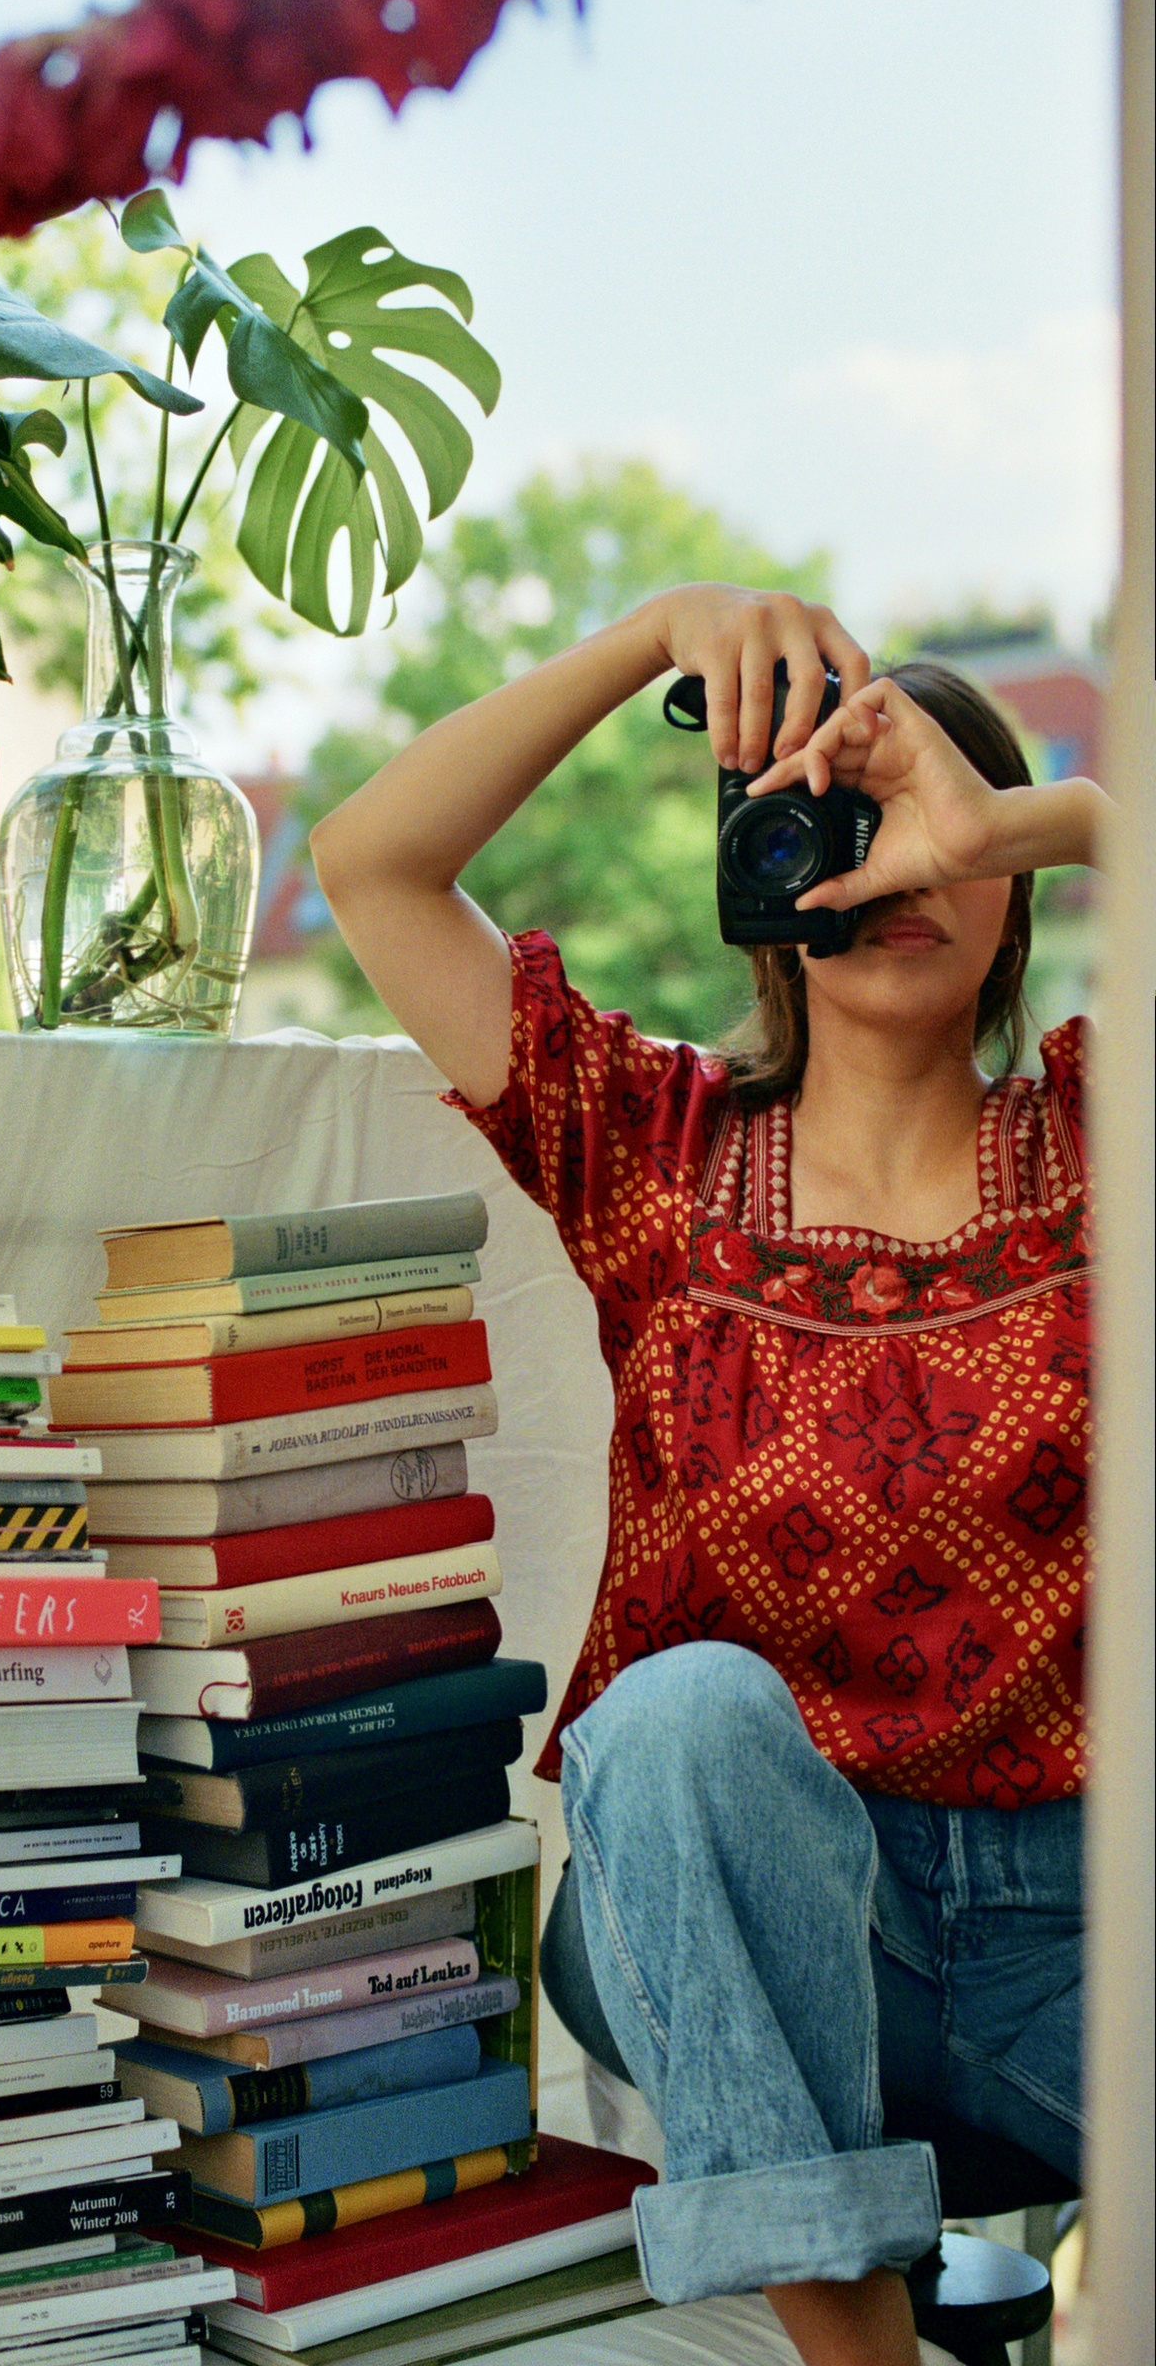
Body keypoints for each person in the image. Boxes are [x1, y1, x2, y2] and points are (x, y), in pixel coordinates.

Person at [308, 585, 1106, 2366]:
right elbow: (373, 865)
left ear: (1014, 883)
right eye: (842, 827)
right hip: (734, 1911)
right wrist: (649, 637)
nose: (896, 866)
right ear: (764, 871)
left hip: (1078, 1929)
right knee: (676, 1716)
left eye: (939, 823)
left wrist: (1027, 814)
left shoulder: (1097, 1142)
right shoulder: (652, 1148)